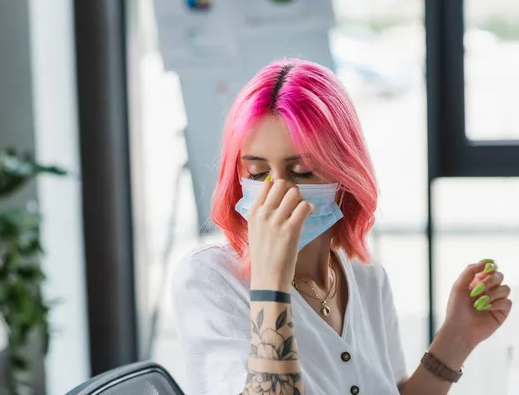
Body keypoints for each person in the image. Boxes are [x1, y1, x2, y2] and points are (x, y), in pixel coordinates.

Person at [171, 59, 512, 395]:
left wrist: (457, 337)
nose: (277, 192)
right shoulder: (209, 279)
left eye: (302, 172)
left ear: (344, 174)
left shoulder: (366, 277)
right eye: (259, 173)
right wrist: (270, 285)